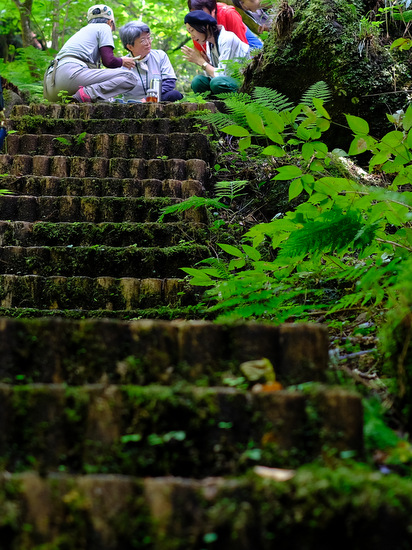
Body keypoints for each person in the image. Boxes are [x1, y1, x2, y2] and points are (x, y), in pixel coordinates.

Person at [43, 4, 137, 103]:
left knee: (97, 95)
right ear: (110, 22)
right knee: (130, 77)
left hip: (51, 85)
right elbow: (108, 61)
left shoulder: (82, 32)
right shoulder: (104, 27)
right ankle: (84, 94)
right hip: (70, 75)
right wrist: (122, 61)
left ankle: (83, 96)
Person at [182, 10, 250, 95]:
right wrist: (206, 63)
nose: (192, 36)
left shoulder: (227, 38)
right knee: (197, 82)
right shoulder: (209, 44)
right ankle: (212, 103)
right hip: (223, 81)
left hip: (242, 82)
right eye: (189, 32)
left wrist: (202, 62)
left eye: (192, 30)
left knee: (216, 83)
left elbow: (223, 75)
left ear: (206, 26)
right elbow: (212, 74)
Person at [118, 21, 183, 102]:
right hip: (133, 104)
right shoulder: (122, 63)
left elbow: (169, 82)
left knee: (175, 95)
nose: (148, 43)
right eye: (142, 40)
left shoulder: (160, 56)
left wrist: (148, 98)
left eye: (148, 38)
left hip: (156, 99)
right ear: (130, 47)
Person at [187, 0, 262, 53]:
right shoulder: (194, 26)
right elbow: (205, 56)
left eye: (201, 14)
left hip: (247, 44)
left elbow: (243, 49)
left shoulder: (229, 14)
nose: (197, 19)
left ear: (213, 10)